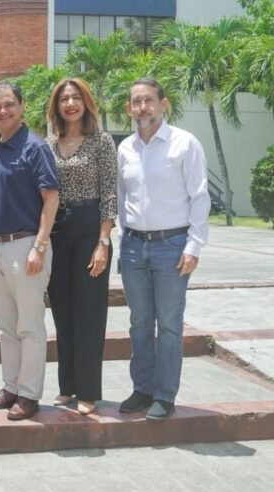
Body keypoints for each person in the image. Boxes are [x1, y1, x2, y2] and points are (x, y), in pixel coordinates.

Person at [117, 77, 210, 421]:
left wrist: (194, 245)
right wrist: (122, 237)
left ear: (163, 104)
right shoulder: (125, 148)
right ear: (129, 108)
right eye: (136, 102)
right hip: (133, 247)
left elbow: (200, 196)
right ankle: (142, 389)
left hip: (172, 246)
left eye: (149, 100)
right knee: (139, 322)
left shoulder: (185, 144)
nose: (143, 107)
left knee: (169, 323)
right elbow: (123, 197)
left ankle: (164, 394)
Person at [0, 82, 60, 421]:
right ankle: (10, 387)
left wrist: (39, 246)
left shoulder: (35, 148)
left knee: (30, 326)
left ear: (22, 106)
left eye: (9, 104)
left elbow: (51, 198)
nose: (3, 111)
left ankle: (29, 395)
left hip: (27, 246)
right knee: (6, 327)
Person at [45, 78, 117, 416]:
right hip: (58, 231)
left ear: (86, 102)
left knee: (89, 314)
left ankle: (88, 390)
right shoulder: (49, 144)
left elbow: (109, 194)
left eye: (75, 97)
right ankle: (67, 386)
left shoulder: (101, 142)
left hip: (91, 230)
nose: (70, 103)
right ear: (56, 106)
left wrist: (103, 241)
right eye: (64, 99)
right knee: (63, 312)